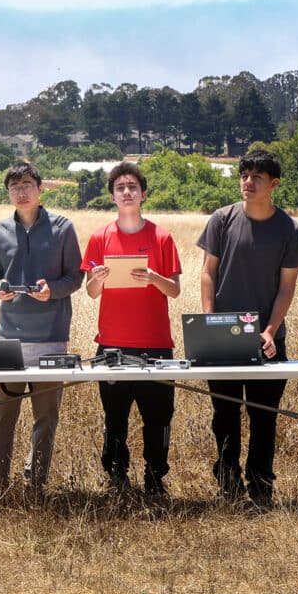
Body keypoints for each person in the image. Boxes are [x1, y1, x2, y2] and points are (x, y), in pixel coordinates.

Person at [197, 149, 298, 507]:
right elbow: (207, 273)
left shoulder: (289, 229)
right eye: (245, 175)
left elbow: (286, 287)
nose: (248, 182)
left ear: (274, 184)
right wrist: (210, 321)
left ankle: (261, 488)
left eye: (257, 177)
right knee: (224, 414)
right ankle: (228, 485)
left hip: (269, 339)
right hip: (223, 334)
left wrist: (270, 330)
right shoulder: (221, 219)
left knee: (264, 417)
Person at [83, 161, 182, 496]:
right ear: (112, 196)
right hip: (112, 345)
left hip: (155, 344)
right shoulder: (99, 238)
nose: (126, 192)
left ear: (143, 194)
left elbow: (176, 290)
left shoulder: (162, 237)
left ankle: (156, 479)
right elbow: (90, 291)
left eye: (132, 187)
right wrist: (96, 280)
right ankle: (116, 477)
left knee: (159, 417)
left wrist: (154, 277)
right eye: (120, 188)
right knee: (115, 419)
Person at [0, 160, 83, 495]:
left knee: (45, 418)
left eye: (27, 184)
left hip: (51, 339)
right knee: (1, 417)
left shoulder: (63, 228)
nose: (22, 191)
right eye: (15, 186)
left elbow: (75, 276)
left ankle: (34, 485)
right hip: (8, 339)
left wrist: (51, 291)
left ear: (40, 190)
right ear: (8, 192)